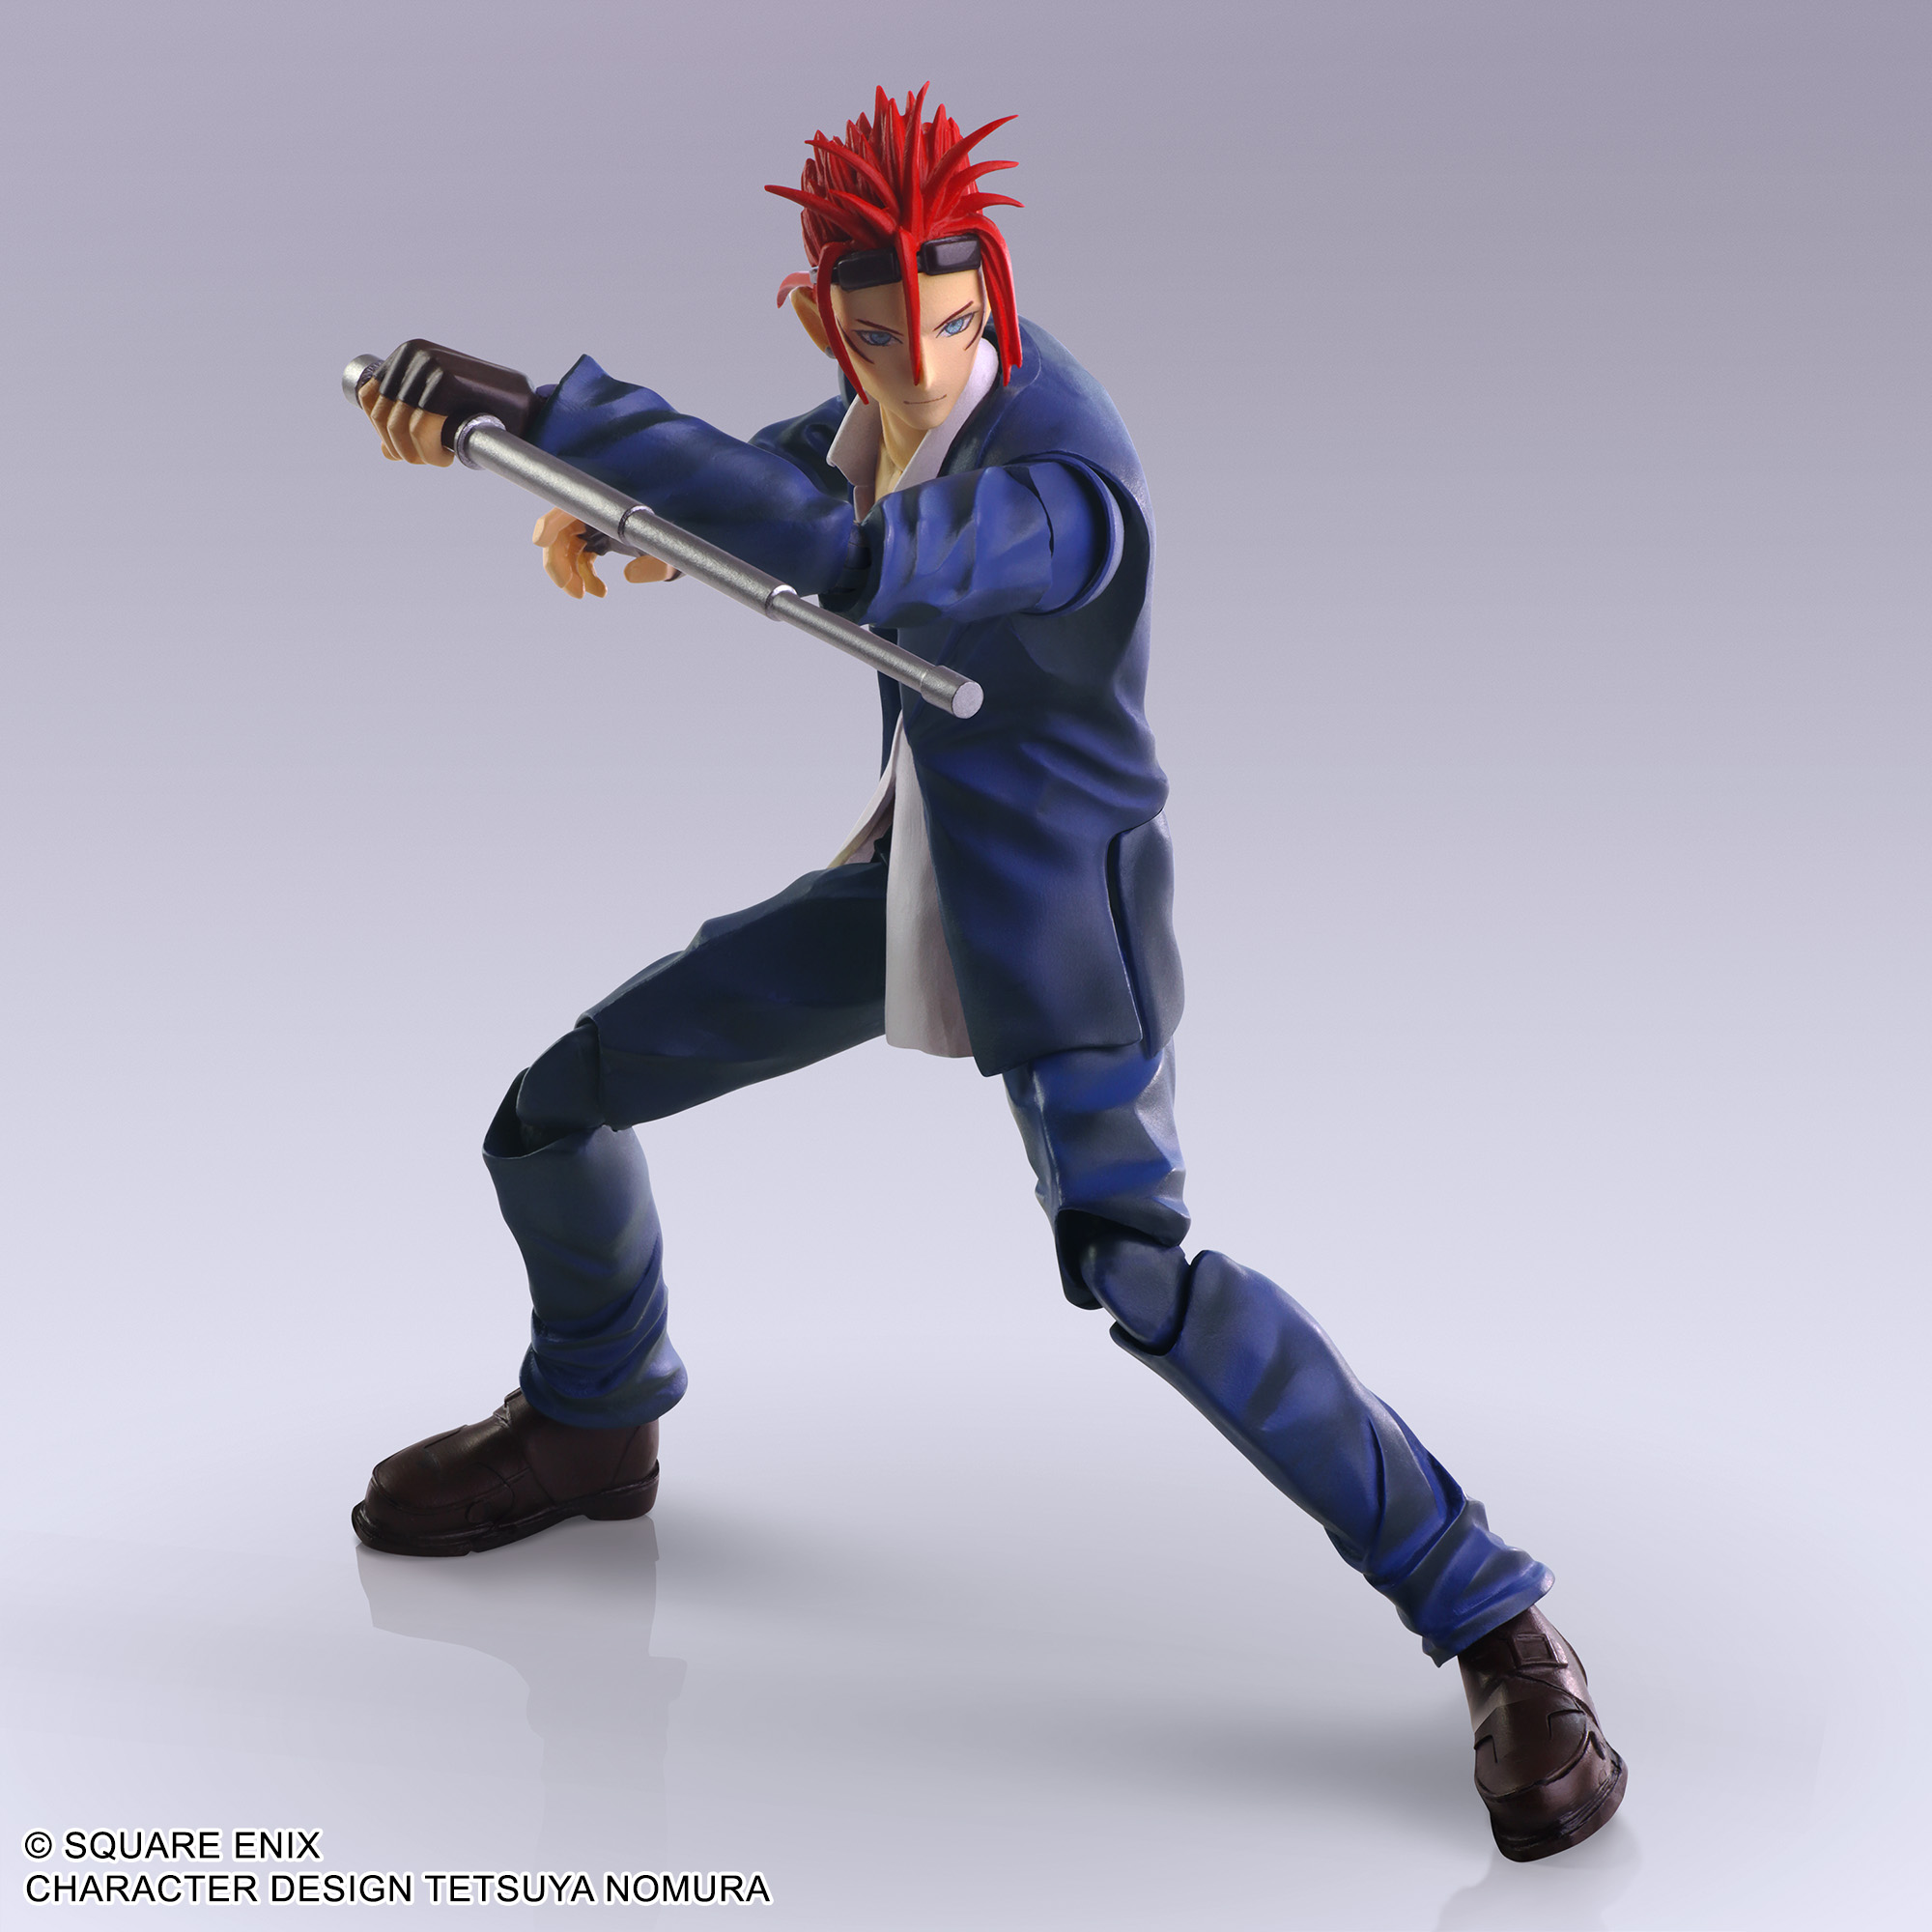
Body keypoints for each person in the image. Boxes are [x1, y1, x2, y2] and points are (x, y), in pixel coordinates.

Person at [350, 86, 1625, 1861]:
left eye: (955, 325)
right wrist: (600, 507)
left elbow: (855, 556)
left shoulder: (1060, 485)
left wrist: (557, 412)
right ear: (827, 319)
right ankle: (591, 1417)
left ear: (994, 294)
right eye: (881, 337)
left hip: (1051, 922)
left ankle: (1496, 1615)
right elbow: (813, 467)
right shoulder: (890, 410)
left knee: (1139, 1272)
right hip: (905, 883)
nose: (926, 365)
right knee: (554, 1114)